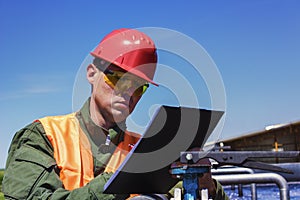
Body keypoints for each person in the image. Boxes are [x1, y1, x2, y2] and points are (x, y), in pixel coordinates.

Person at [2, 28, 229, 200]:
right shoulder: (43, 136)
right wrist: (118, 184)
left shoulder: (145, 149)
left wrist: (207, 186)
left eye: (139, 85)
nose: (127, 91)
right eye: (117, 77)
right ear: (91, 73)